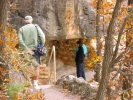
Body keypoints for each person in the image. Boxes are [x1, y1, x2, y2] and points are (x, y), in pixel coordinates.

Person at [18, 15, 45, 89]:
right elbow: (42, 37)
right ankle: (35, 84)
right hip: (35, 50)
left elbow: (20, 40)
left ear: (24, 21)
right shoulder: (36, 27)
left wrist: (26, 48)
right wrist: (41, 45)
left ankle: (27, 84)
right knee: (36, 67)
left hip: (25, 51)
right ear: (31, 21)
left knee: (26, 66)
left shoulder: (21, 29)